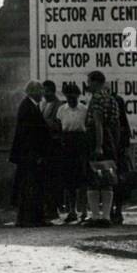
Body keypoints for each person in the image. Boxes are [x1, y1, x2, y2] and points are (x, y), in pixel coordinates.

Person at [83, 70, 122, 227]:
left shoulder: (97, 98)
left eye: (89, 82)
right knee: (107, 178)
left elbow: (98, 123)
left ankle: (96, 216)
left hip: (97, 139)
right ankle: (105, 216)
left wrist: (98, 145)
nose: (88, 85)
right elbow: (116, 124)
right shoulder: (111, 99)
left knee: (94, 177)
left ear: (96, 82)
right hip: (110, 140)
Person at [9, 80, 49, 227]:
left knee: (30, 185)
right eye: (40, 91)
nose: (42, 94)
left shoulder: (29, 105)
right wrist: (37, 154)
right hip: (30, 154)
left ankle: (32, 218)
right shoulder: (28, 107)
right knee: (29, 185)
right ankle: (27, 218)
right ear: (33, 91)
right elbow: (30, 134)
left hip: (28, 153)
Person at [57, 82, 90, 223]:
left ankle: (83, 211)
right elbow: (59, 127)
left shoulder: (84, 109)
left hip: (81, 144)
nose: (71, 99)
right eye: (68, 97)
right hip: (67, 144)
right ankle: (71, 211)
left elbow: (88, 127)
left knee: (82, 179)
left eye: (74, 97)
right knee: (69, 180)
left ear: (78, 96)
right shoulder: (61, 110)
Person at [39, 80, 65, 223]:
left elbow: (59, 124)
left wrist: (44, 123)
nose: (45, 94)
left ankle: (53, 209)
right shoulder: (42, 104)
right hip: (44, 145)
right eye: (44, 91)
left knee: (54, 179)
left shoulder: (59, 105)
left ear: (53, 91)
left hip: (54, 145)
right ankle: (47, 208)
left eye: (48, 91)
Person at [110, 91, 134, 225]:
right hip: (117, 157)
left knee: (116, 184)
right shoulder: (122, 125)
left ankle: (115, 211)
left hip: (116, 156)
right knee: (117, 184)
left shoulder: (119, 125)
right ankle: (116, 211)